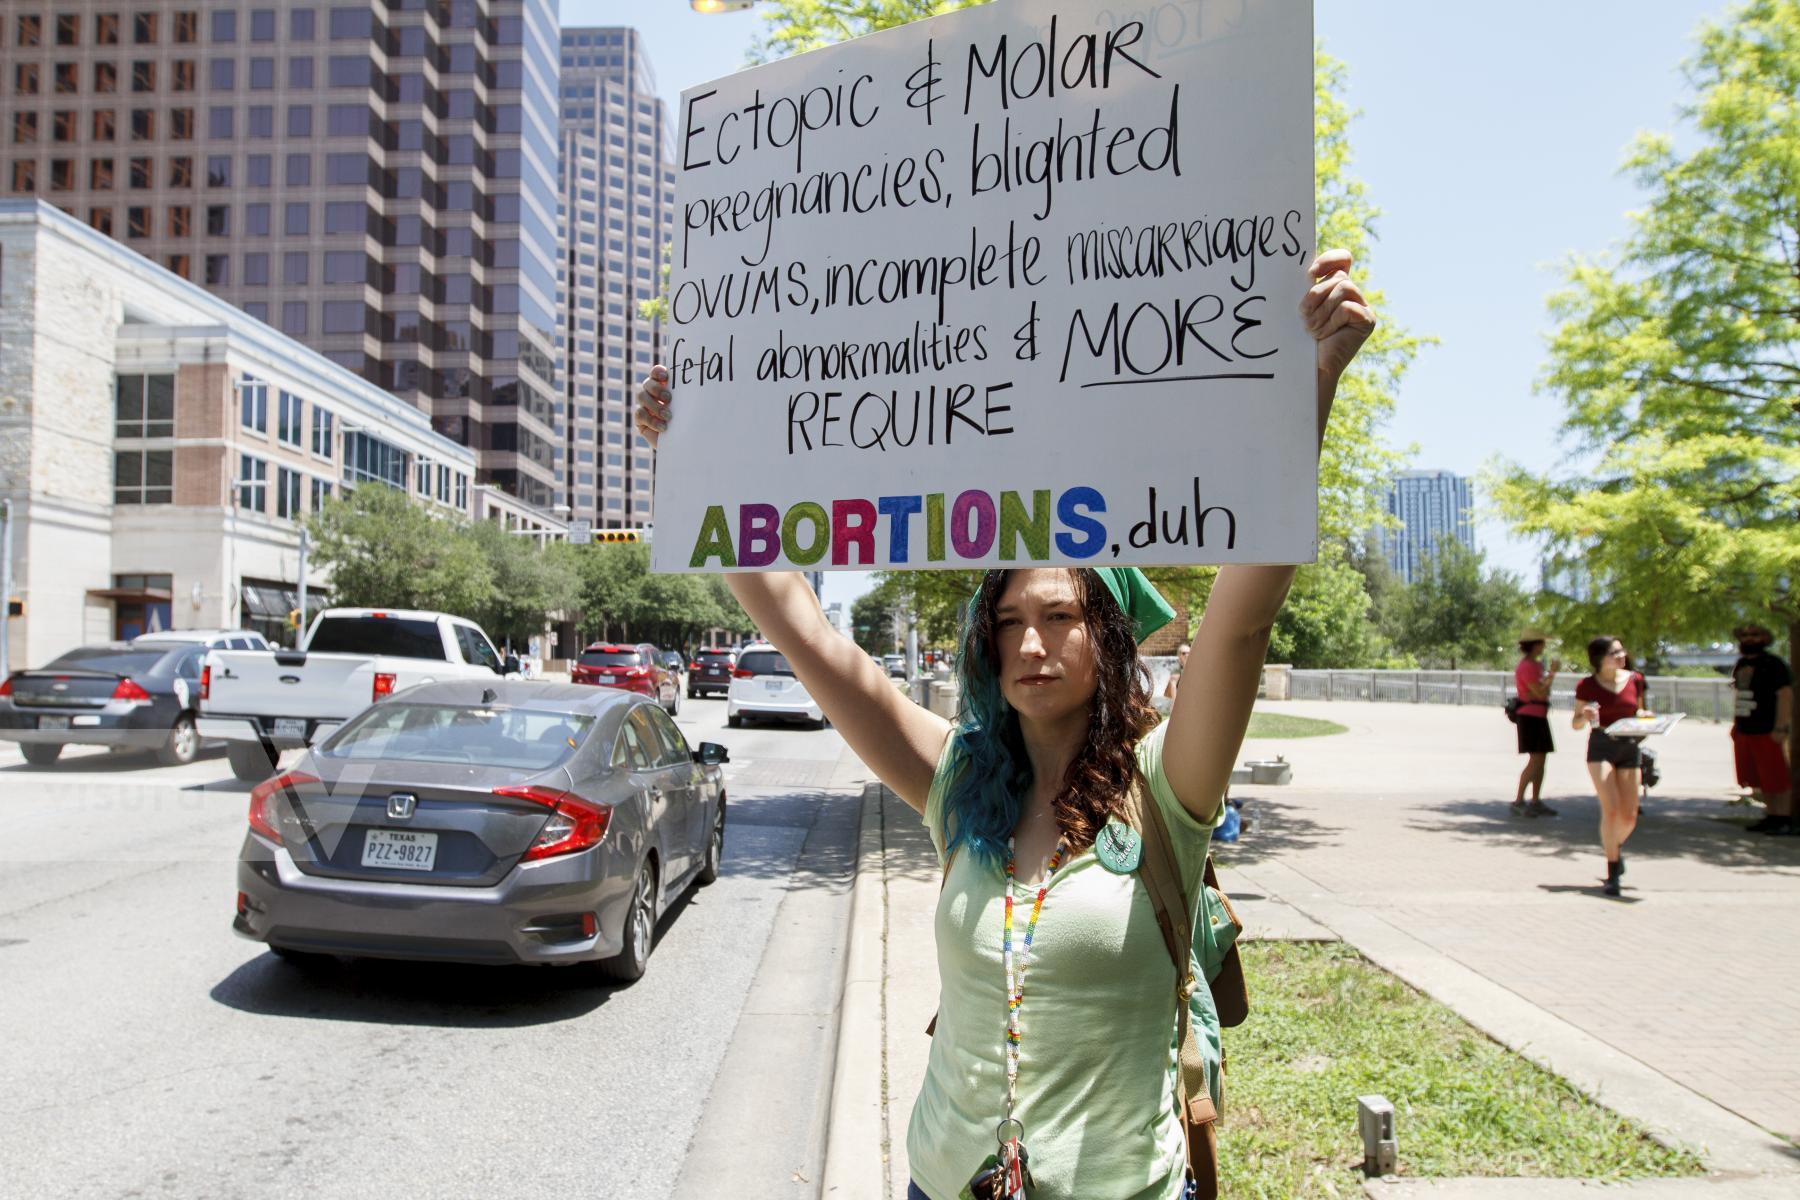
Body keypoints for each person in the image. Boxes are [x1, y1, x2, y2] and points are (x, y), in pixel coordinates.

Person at [637, 250, 1374, 1200]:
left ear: (1105, 639)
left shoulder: (1166, 786)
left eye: (1061, 618)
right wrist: (693, 455)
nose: (1032, 645)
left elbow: (1238, 628)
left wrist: (1312, 381)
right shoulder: (956, 781)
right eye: (1009, 622)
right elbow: (808, 634)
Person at [1572, 636, 1650, 896]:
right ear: (1599, 659)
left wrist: (1647, 721)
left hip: (1629, 745)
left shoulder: (1635, 680)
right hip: (1601, 745)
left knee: (1629, 815)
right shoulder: (1586, 685)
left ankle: (1613, 847)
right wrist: (1585, 716)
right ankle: (1613, 868)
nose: (1621, 655)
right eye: (1614, 652)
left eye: (1621, 650)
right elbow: (1575, 723)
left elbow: (1641, 712)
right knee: (1612, 809)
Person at [1731, 624, 1793, 835]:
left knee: (1777, 776)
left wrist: (1781, 726)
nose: (1749, 638)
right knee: (1759, 777)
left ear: (1764, 639)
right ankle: (1771, 814)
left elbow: (1784, 695)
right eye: (1746, 634)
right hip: (1746, 728)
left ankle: (1783, 817)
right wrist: (1735, 725)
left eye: (1754, 635)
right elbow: (1739, 694)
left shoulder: (1774, 665)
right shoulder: (1740, 664)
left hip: (1768, 729)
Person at [1511, 630, 1559, 817]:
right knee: (1535, 759)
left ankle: (1535, 800)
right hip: (1529, 715)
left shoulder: (1536, 665)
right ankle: (1519, 800)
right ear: (1534, 645)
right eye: (1541, 643)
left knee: (1541, 759)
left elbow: (1541, 691)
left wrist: (1545, 684)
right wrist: (1552, 674)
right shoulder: (1527, 667)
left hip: (1539, 714)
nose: (1543, 647)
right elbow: (1539, 692)